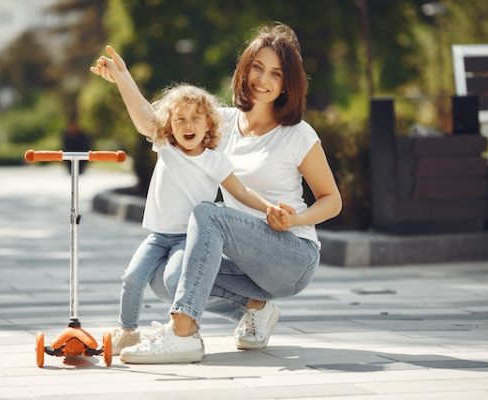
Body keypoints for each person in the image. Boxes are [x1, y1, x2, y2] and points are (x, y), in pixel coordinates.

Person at [94, 22, 342, 364]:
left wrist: (296, 218)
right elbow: (155, 126)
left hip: (291, 256)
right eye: (257, 67)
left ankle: (182, 333)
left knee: (207, 213)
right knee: (166, 277)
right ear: (245, 69)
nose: (263, 80)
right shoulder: (221, 124)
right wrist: (123, 79)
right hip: (244, 259)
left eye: (276, 73)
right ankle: (256, 308)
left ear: (288, 84)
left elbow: (332, 200)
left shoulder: (297, 134)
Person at [91, 56, 280, 355]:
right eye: (180, 119)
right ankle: (127, 331)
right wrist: (122, 76)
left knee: (174, 280)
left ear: (208, 124)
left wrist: (269, 208)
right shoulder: (166, 146)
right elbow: (142, 114)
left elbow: (241, 191)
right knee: (132, 277)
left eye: (195, 118)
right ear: (170, 125)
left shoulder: (214, 160)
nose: (187, 125)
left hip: (186, 239)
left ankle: (188, 329)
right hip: (158, 236)